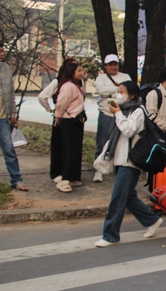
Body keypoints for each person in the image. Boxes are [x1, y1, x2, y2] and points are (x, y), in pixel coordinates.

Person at [95, 81, 163, 247]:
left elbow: (129, 130)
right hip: (121, 160)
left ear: (132, 95)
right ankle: (152, 220)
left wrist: (118, 114)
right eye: (118, 91)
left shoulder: (138, 111)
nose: (119, 95)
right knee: (129, 197)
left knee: (118, 198)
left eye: (122, 92)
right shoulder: (126, 109)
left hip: (129, 162)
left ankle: (110, 235)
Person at [38, 57, 77, 183]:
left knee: (70, 147)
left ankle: (69, 172)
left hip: (73, 118)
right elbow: (42, 96)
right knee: (58, 145)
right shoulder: (58, 81)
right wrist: (50, 110)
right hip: (60, 116)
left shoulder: (76, 83)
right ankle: (56, 172)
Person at [93, 54, 131, 182]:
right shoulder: (101, 78)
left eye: (115, 64)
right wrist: (117, 88)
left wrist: (111, 92)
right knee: (102, 141)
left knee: (120, 142)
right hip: (106, 113)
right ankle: (98, 170)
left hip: (121, 113)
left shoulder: (125, 77)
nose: (113, 67)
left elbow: (127, 91)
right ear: (105, 66)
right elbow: (101, 91)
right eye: (110, 65)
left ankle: (117, 169)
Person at [53, 62, 86, 192]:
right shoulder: (68, 86)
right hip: (68, 121)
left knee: (76, 150)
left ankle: (73, 176)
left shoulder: (77, 86)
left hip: (76, 121)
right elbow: (61, 103)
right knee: (70, 150)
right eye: (79, 71)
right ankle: (64, 179)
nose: (82, 72)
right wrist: (58, 117)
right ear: (71, 73)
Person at [0, 43, 27, 192]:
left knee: (9, 148)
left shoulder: (6, 69)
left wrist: (13, 115)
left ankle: (16, 179)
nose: (1, 54)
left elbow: (10, 93)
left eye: (2, 51)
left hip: (3, 117)